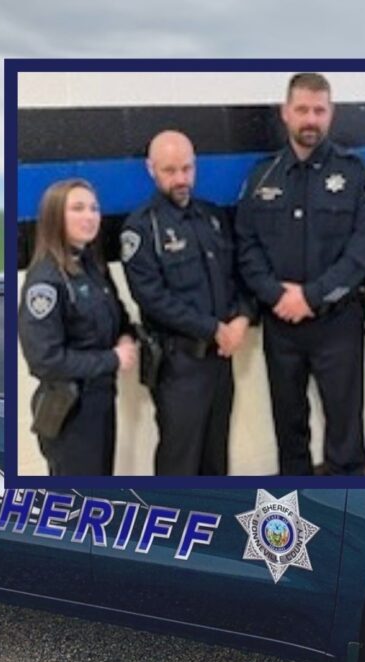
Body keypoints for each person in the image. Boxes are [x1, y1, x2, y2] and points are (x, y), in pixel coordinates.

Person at [235, 72, 365, 475]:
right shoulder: (262, 176)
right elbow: (245, 245)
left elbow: (363, 251)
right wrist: (277, 296)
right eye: (302, 109)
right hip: (280, 323)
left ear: (330, 114)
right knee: (289, 425)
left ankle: (350, 508)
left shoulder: (357, 175)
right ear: (286, 113)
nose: (310, 119)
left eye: (319, 110)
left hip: (339, 323)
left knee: (345, 427)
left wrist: (311, 296)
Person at [121, 130, 253, 476]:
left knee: (216, 459)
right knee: (179, 462)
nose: (180, 179)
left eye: (186, 169)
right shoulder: (141, 228)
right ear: (152, 169)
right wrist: (213, 328)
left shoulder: (211, 217)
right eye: (169, 171)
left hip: (219, 360)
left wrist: (241, 318)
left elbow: (235, 276)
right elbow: (151, 297)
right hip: (179, 365)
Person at [18, 178, 136, 475]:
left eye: (94, 208)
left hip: (100, 400)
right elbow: (45, 360)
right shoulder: (46, 280)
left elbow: (118, 316)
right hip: (70, 409)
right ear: (55, 216)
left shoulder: (92, 266)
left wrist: (125, 336)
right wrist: (113, 359)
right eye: (78, 208)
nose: (90, 216)